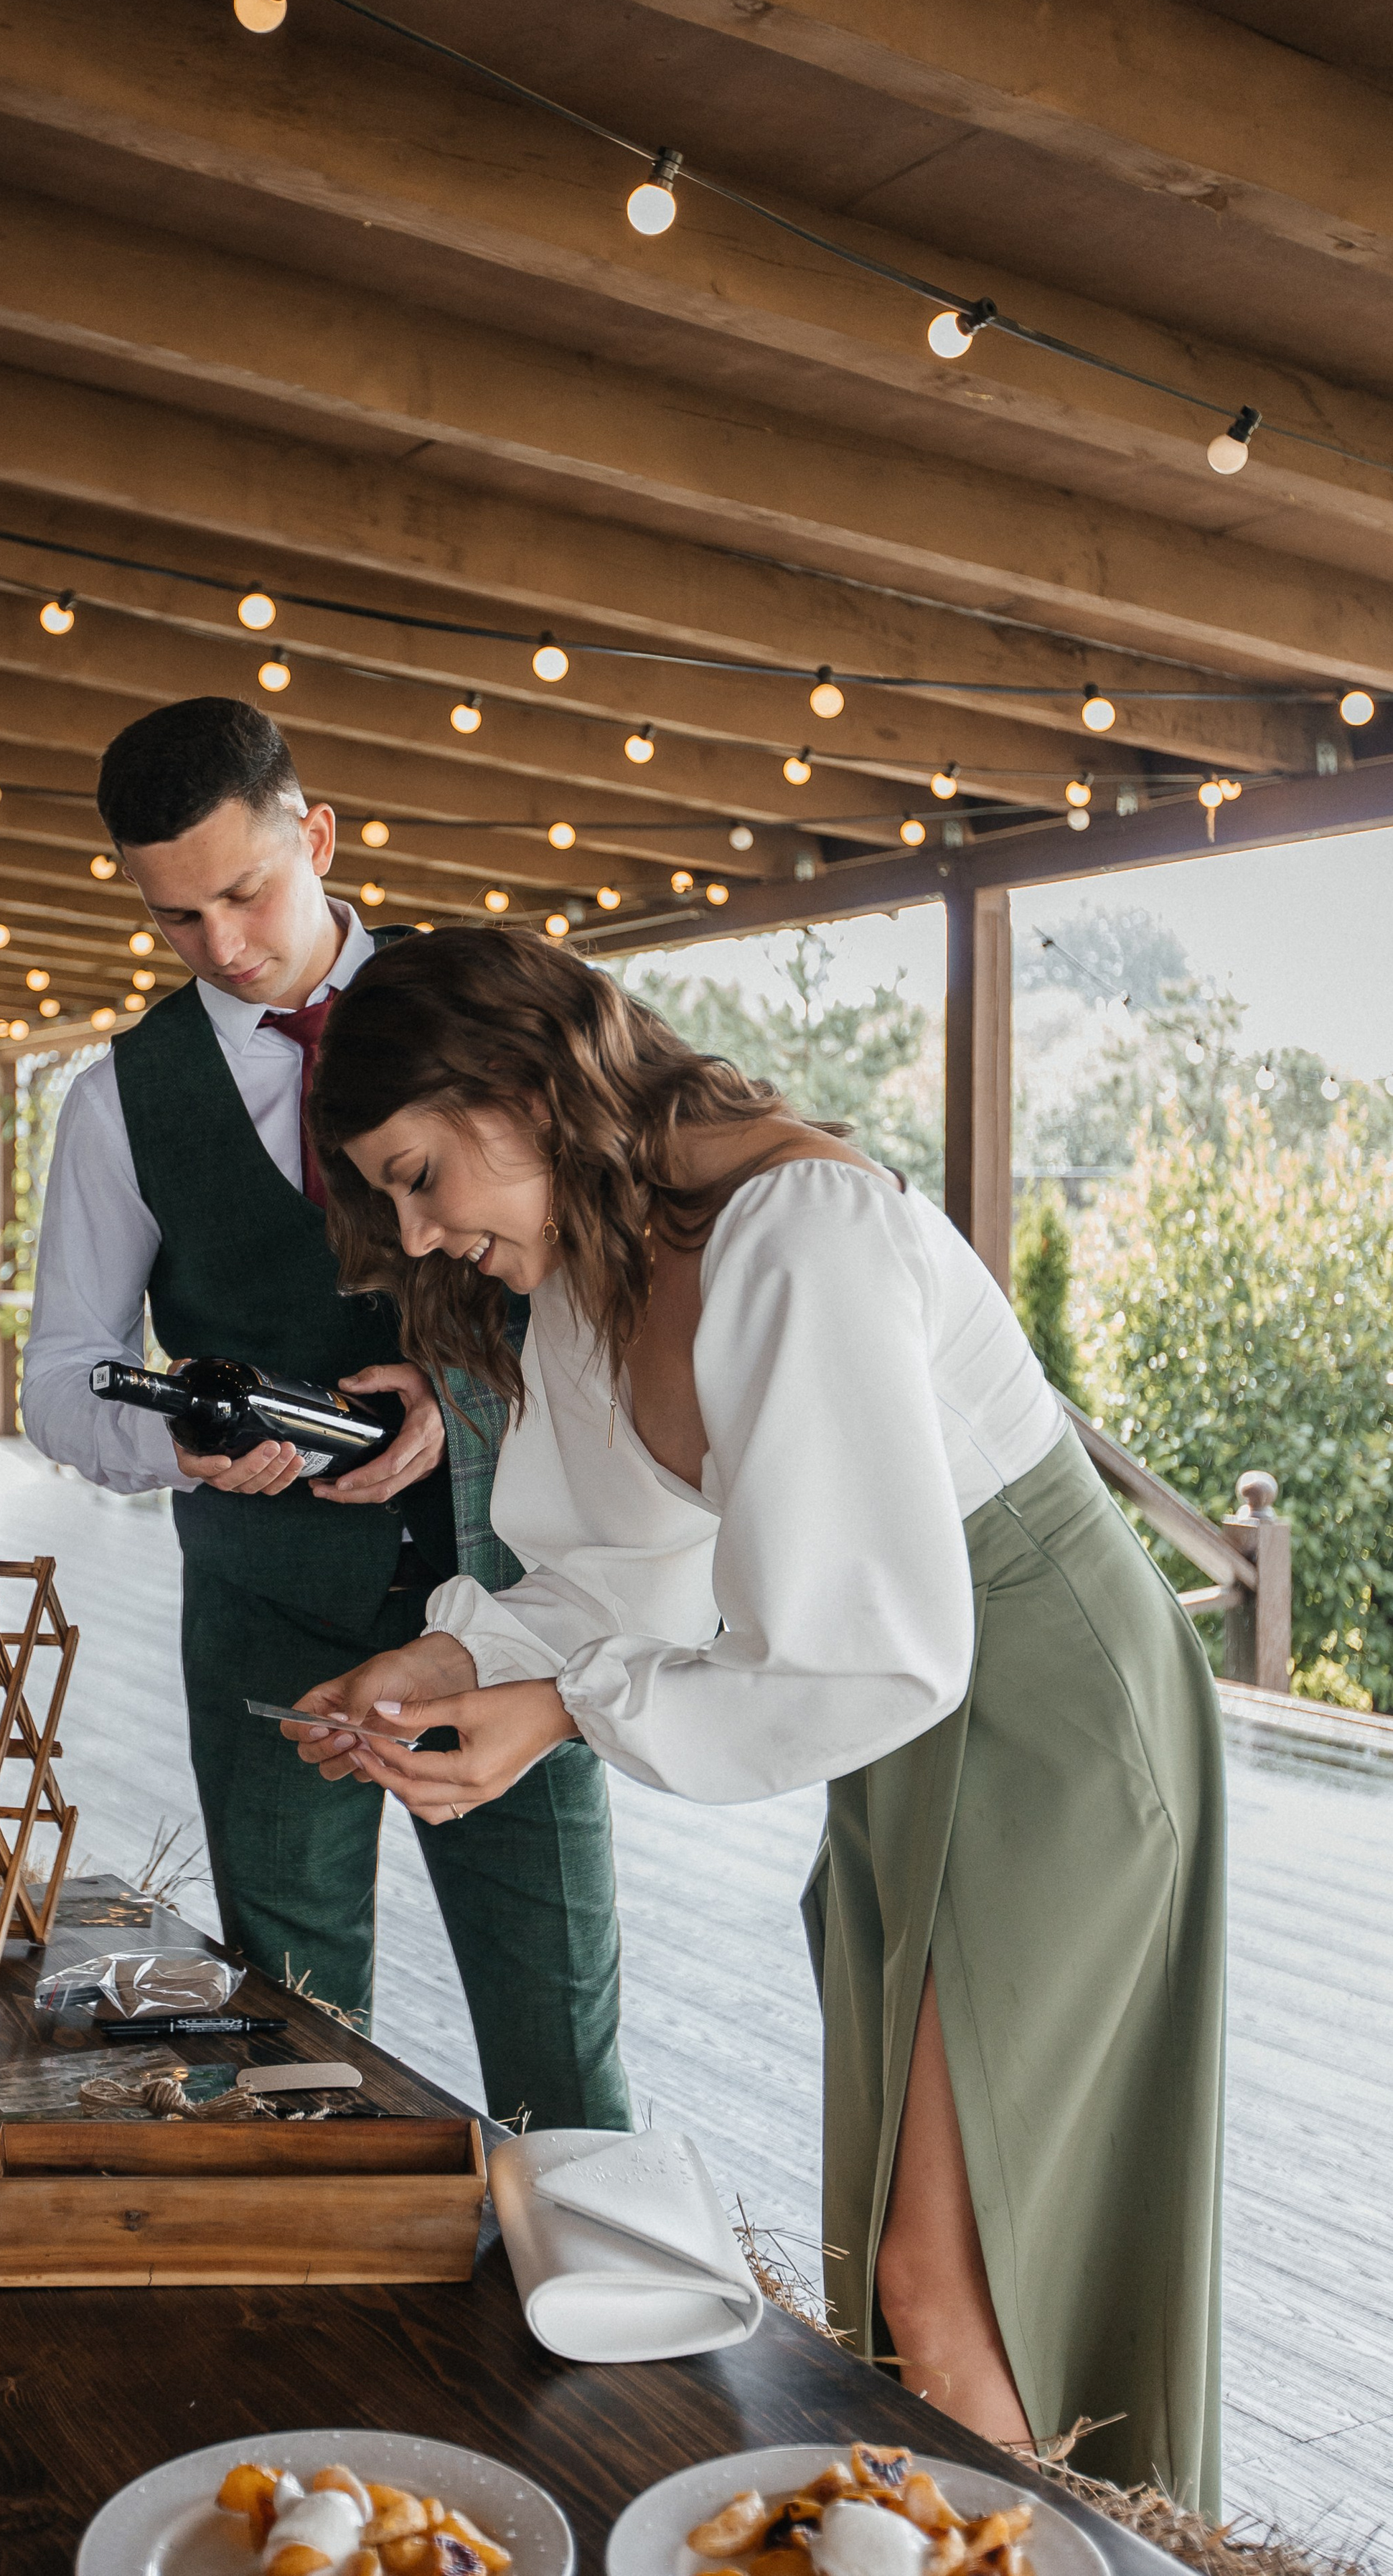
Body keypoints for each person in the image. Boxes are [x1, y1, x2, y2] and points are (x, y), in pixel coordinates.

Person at [286, 925, 1224, 2509]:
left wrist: (563, 1716)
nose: (420, 1229)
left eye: (421, 1173)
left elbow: (871, 1649)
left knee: (947, 2275)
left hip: (1044, 1717)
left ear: (520, 1088)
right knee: (905, 2265)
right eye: (389, 1199)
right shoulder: (591, 1270)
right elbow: (611, 1575)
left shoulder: (798, 1230)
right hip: (899, 1734)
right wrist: (457, 1666)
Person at [22, 701, 630, 2132]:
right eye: (177, 918)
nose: (222, 947)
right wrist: (177, 1442)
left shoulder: (488, 1009)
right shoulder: (118, 1100)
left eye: (245, 891)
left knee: (560, 2033)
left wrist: (461, 1399)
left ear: (319, 835)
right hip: (266, 1611)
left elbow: (606, 1275)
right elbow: (60, 1379)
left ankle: (595, 2309)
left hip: (515, 1600)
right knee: (291, 2038)